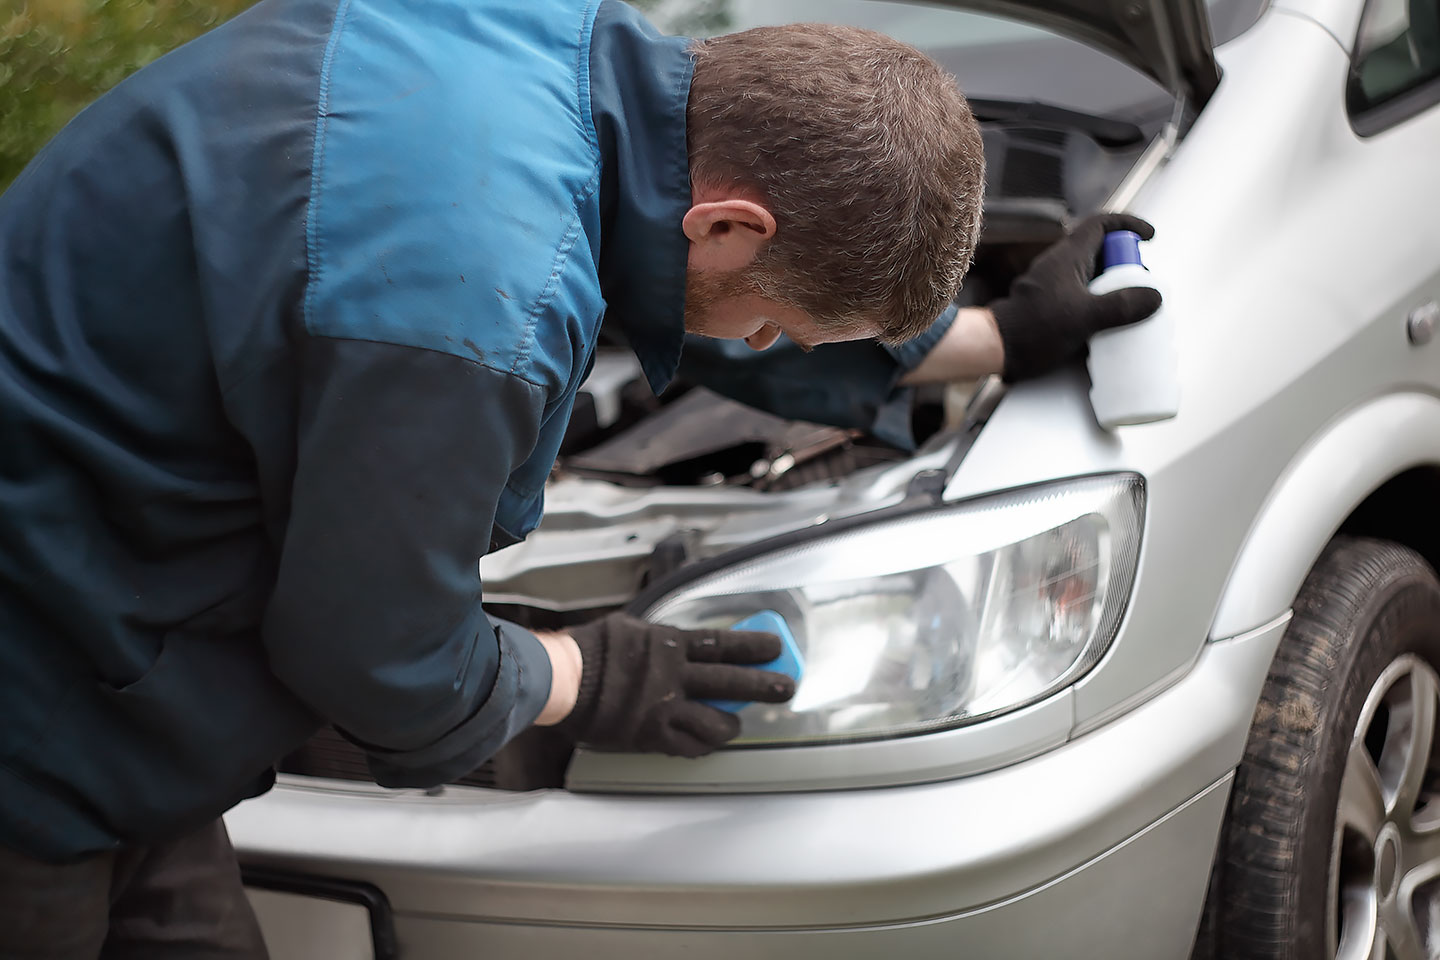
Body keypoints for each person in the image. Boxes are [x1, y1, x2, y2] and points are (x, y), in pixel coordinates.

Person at [0, 0, 1161, 955]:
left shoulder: (549, 51)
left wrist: (997, 340)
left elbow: (652, 260)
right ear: (733, 222)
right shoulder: (468, 312)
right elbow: (374, 660)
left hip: (124, 683)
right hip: (40, 712)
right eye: (776, 326)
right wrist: (586, 672)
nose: (758, 347)